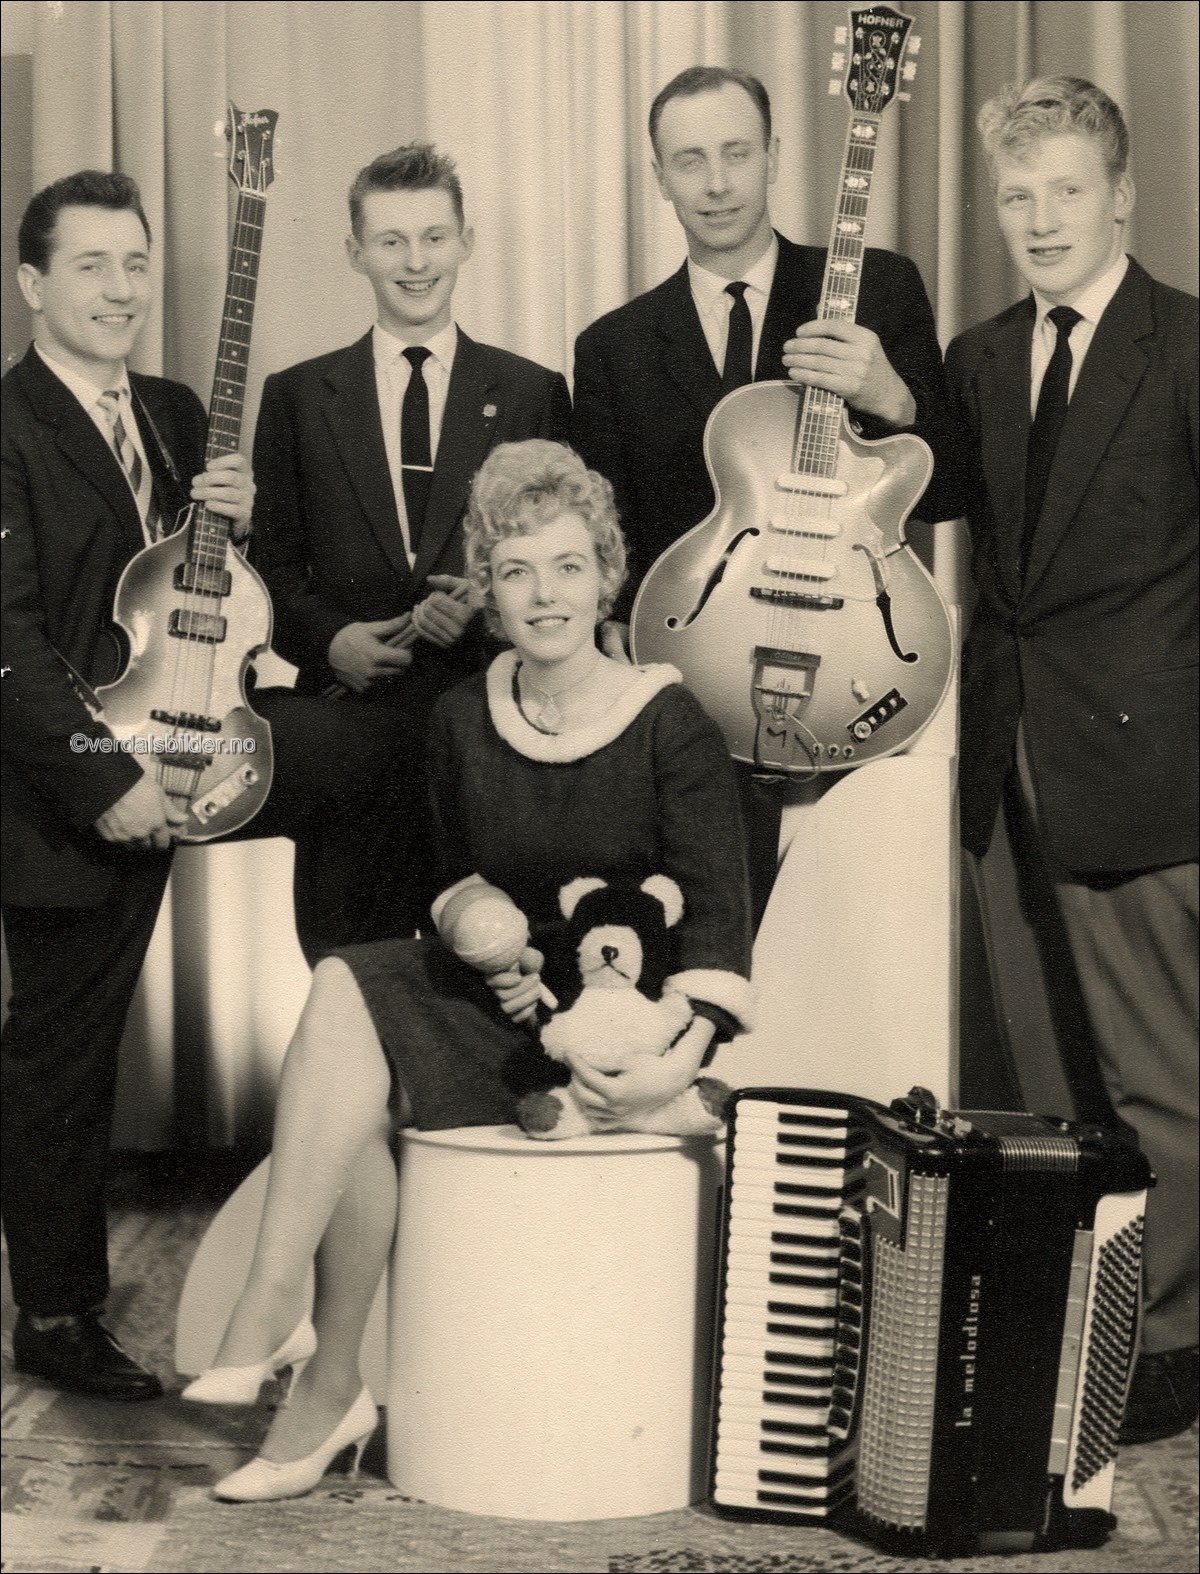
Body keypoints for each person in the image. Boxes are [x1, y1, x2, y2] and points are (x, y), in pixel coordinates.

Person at [182, 439, 755, 1501]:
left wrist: (673, 1065)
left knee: (348, 1073)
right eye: (517, 571)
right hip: (502, 1008)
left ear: (608, 575)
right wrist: (482, 924)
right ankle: (290, 1320)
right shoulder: (461, 715)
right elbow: (453, 881)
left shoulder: (669, 721)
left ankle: (314, 1371)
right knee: (345, 991)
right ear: (487, 587)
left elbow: (720, 925)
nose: (546, 595)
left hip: (615, 1042)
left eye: (569, 566)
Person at [945, 77, 1198, 1443]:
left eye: (1066, 191)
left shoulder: (1188, 345)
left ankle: (1173, 1339)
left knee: (1161, 1080)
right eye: (1016, 194)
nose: (1040, 219)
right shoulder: (983, 355)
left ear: (1122, 197)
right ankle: (1081, 1328)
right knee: (1050, 1084)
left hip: (1146, 768)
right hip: (1006, 764)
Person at [1, 171, 256, 1399]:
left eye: (136, 263)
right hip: (61, 794)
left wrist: (237, 524)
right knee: (60, 1059)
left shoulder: (168, 410)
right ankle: (53, 1316)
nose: (120, 289)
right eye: (91, 265)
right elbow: (5, 635)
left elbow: (184, 589)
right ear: (32, 283)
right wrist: (103, 777)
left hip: (178, 752)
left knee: (359, 766)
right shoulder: (7, 423)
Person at [250, 144, 573, 951]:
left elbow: (571, 566)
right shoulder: (296, 397)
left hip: (496, 732)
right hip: (350, 740)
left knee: (496, 969)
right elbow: (270, 570)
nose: (416, 261)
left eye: (434, 237)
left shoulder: (531, 392)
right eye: (391, 241)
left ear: (467, 241)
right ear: (354, 252)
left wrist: (490, 610)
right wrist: (332, 640)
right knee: (353, 969)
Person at [571, 65, 958, 630]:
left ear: (773, 158)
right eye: (690, 161)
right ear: (660, 178)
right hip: (684, 647)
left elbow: (950, 497)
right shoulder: (611, 348)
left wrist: (896, 402)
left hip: (851, 635)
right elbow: (604, 541)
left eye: (737, 154)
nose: (717, 184)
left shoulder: (878, 289)